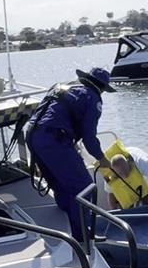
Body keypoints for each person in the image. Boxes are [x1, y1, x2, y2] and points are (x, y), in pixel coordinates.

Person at [27, 67, 115, 240]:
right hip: (54, 141)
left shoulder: (60, 86)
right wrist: (102, 159)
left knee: (60, 183)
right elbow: (89, 137)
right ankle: (82, 236)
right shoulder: (92, 98)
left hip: (32, 135)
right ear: (102, 88)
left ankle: (66, 222)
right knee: (85, 188)